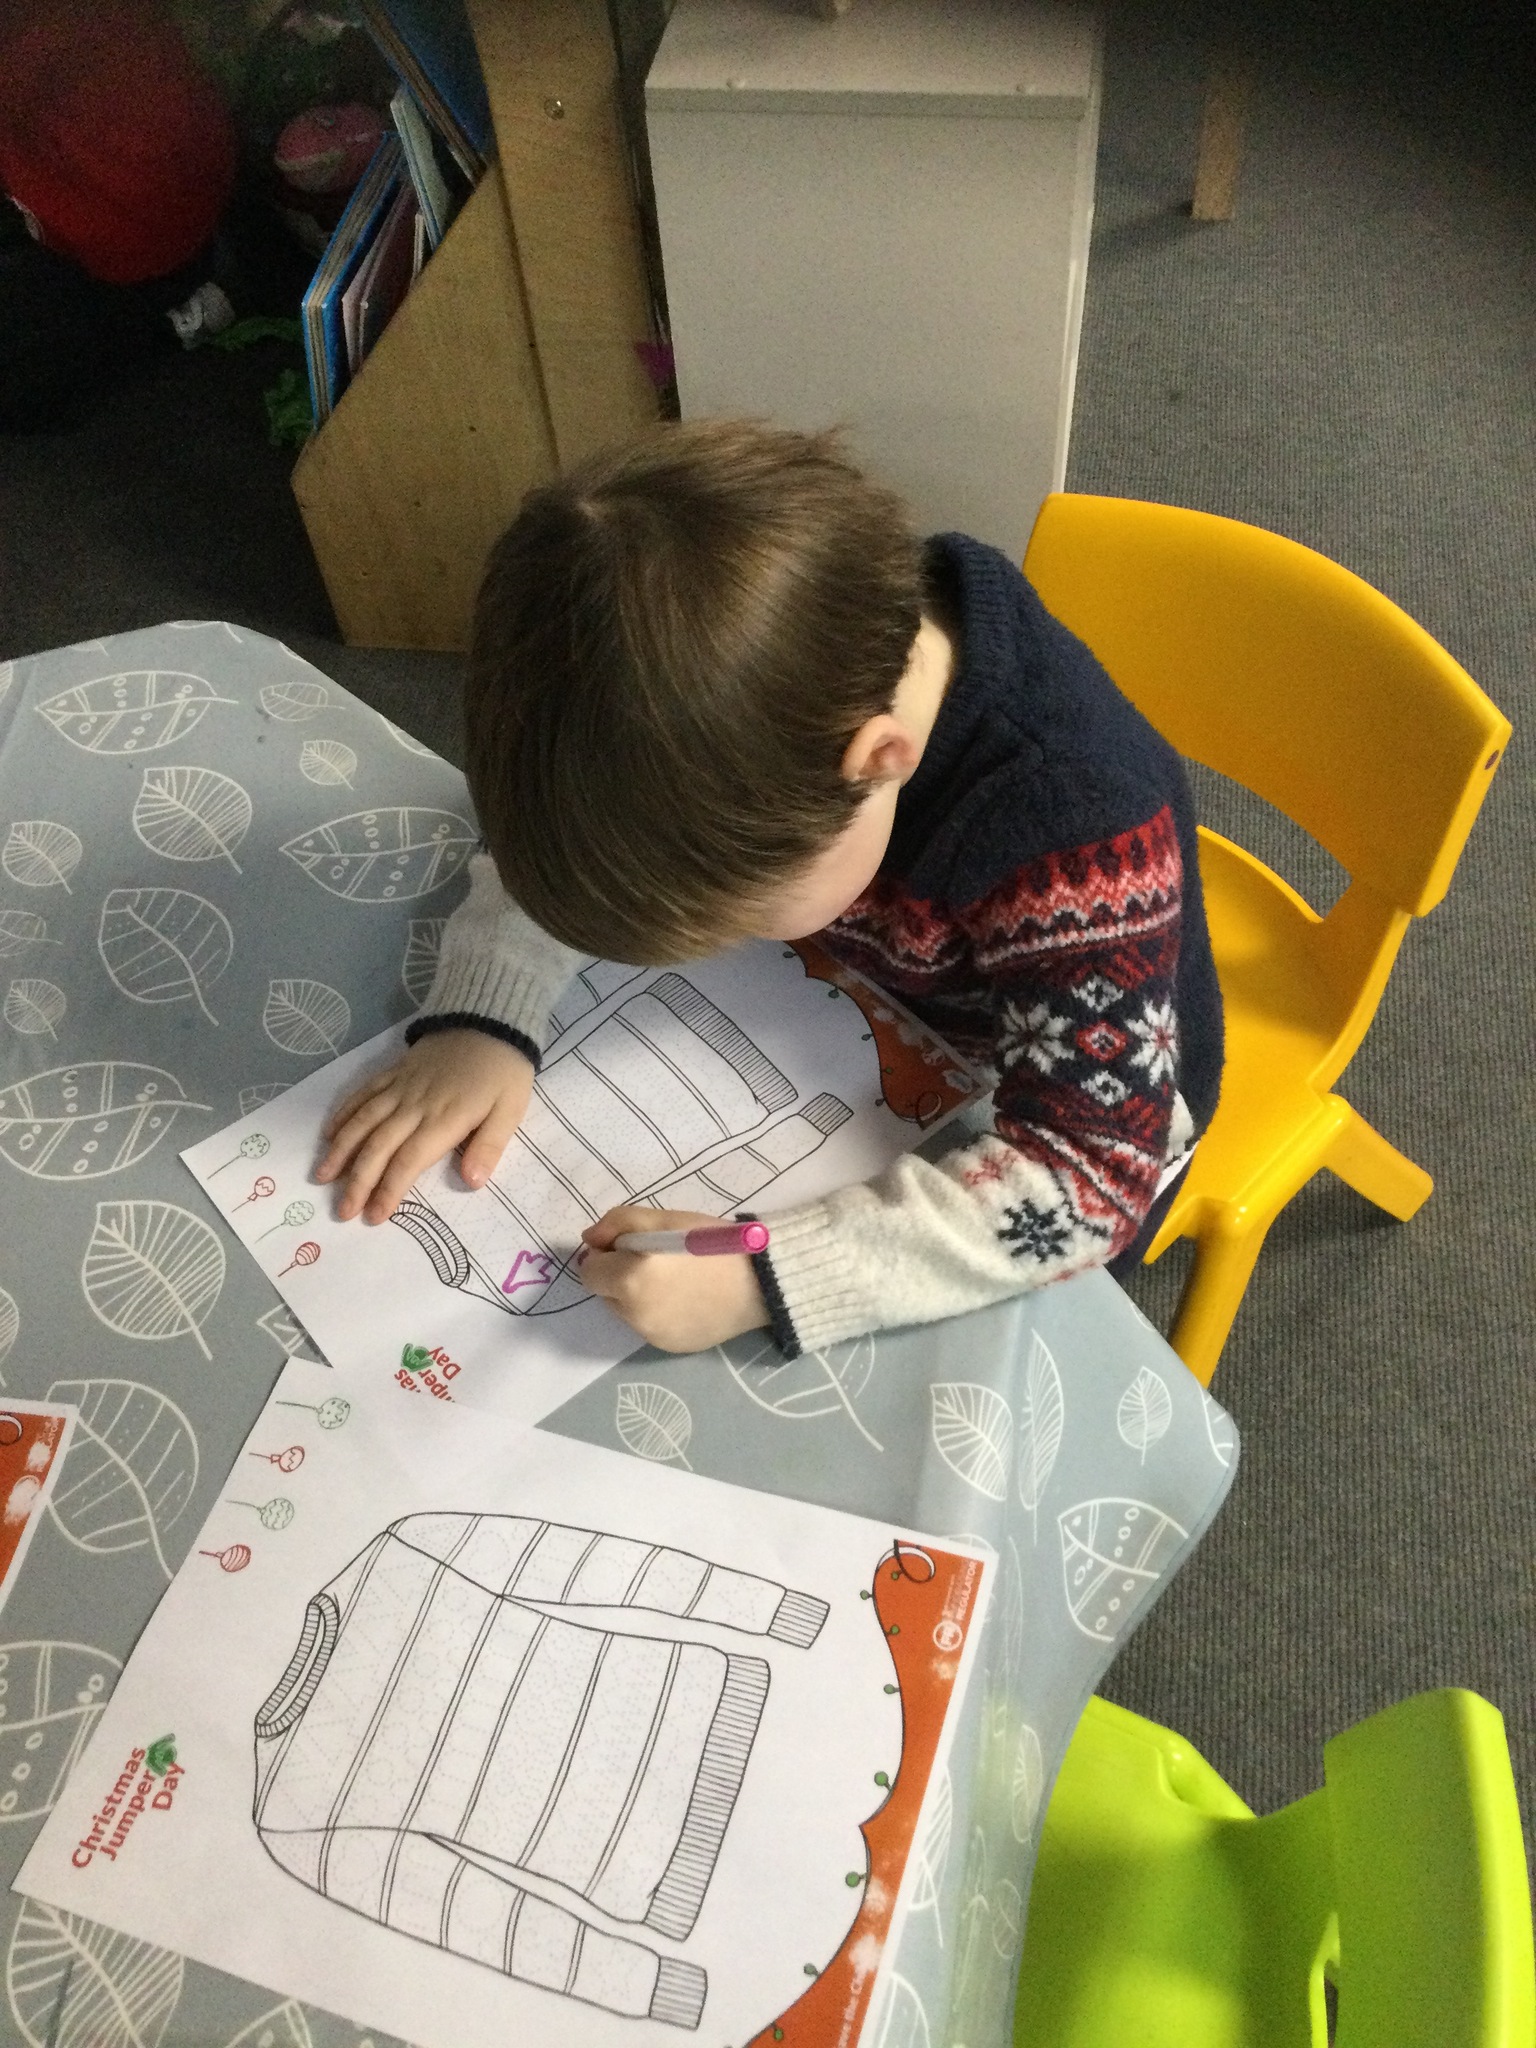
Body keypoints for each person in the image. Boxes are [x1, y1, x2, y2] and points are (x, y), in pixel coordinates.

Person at [317, 420, 1223, 1359]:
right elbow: (592, 819)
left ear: (879, 762)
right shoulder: (787, 648)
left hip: (1077, 1101)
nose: (726, 933)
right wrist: (488, 1011)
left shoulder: (1071, 823)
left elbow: (1089, 1175)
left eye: (742, 908)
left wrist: (768, 1275)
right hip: (870, 1005)